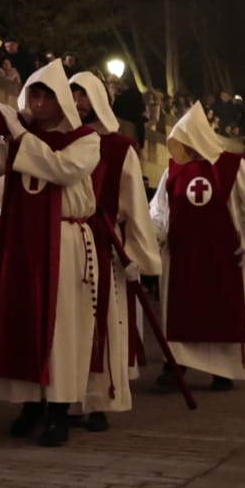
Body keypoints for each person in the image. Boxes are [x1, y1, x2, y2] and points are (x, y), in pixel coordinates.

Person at [0, 60, 100, 447]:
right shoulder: (16, 139)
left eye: (47, 95)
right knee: (21, 317)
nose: (39, 102)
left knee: (61, 328)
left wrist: (16, 135)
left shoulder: (84, 140)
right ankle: (27, 401)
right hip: (22, 239)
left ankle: (58, 408)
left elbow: (60, 169)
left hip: (63, 240)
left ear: (62, 101)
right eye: (34, 94)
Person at [149, 103, 245, 391]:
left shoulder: (234, 166)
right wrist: (152, 236)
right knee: (180, 311)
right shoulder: (173, 172)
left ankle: (223, 370)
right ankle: (176, 365)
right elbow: (159, 211)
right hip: (182, 256)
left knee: (222, 310)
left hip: (225, 256)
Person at [68, 72, 161, 432]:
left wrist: (136, 252)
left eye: (83, 96)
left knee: (101, 323)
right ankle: (67, 399)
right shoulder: (59, 140)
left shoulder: (120, 147)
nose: (77, 103)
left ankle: (98, 400)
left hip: (103, 243)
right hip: (64, 241)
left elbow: (134, 203)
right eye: (71, 95)